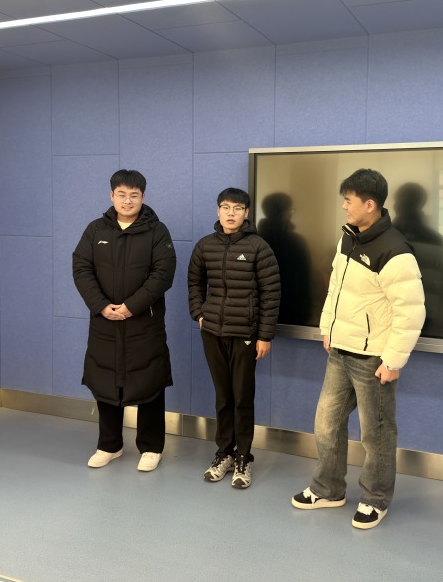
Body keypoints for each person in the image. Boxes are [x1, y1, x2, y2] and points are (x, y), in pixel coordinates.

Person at [292, 169, 425, 529]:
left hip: (374, 358)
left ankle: (375, 498)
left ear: (370, 204)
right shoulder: (348, 237)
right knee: (326, 424)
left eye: (349, 200)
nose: (344, 206)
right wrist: (328, 328)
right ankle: (328, 489)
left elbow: (411, 312)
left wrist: (393, 360)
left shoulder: (395, 250)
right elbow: (336, 287)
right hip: (341, 350)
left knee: (376, 434)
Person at [72, 169, 176, 472]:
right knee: (105, 380)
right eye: (121, 194)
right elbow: (81, 268)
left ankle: (151, 447)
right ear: (111, 195)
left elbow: (163, 274)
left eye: (134, 195)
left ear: (143, 197)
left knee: (149, 381)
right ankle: (109, 445)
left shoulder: (157, 231)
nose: (127, 200)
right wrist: (101, 306)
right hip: (105, 321)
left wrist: (132, 306)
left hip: (144, 322)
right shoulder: (95, 230)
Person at [188, 187, 280, 489]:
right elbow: (194, 282)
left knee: (242, 397)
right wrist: (199, 314)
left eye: (237, 208)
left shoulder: (258, 247)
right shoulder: (205, 246)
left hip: (246, 334)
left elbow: (271, 294)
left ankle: (243, 457)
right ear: (218, 211)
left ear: (246, 213)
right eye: (225, 207)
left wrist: (264, 336)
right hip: (212, 332)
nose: (231, 213)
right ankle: (224, 454)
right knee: (223, 396)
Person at [392, 182, 443, 338]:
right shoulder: (436, 239)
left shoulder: (388, 237)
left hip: (394, 318)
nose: (394, 205)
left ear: (401, 204)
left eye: (397, 200)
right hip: (428, 317)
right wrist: (439, 318)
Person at [257, 192, 316, 326]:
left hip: (261, 312)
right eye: (291, 209)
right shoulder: (296, 242)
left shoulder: (255, 241)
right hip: (291, 312)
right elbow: (304, 280)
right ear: (285, 213)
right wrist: (306, 312)